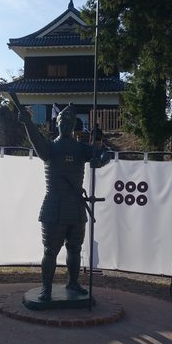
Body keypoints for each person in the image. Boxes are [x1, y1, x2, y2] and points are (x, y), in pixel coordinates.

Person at [19, 103, 111, 301]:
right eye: (64, 121)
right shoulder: (50, 148)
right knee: (50, 251)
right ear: (58, 123)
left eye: (70, 121)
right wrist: (27, 123)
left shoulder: (80, 148)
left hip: (76, 206)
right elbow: (36, 139)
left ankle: (73, 282)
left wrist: (100, 160)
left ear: (74, 125)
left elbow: (105, 153)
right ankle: (46, 288)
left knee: (75, 249)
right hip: (54, 205)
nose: (67, 124)